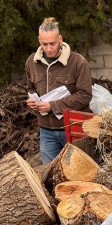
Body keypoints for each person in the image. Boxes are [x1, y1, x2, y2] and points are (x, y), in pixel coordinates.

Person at [25, 17, 93, 163]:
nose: (48, 48)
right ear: (39, 40)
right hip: (46, 131)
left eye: (52, 43)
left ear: (60, 39)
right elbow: (30, 89)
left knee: (80, 172)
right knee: (49, 175)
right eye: (44, 44)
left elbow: (85, 95)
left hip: (75, 129)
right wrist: (32, 101)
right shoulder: (31, 62)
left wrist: (52, 106)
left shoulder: (77, 62)